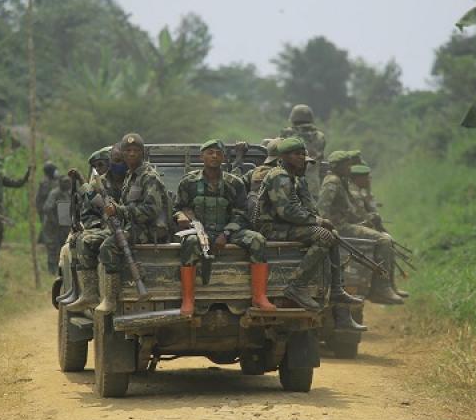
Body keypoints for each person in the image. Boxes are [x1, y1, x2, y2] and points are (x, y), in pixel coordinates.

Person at [256, 137, 363, 330]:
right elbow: (286, 211)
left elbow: (307, 209)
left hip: (285, 226)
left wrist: (318, 218)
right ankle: (297, 285)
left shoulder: (293, 178)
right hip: (272, 228)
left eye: (302, 154)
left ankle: (337, 288)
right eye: (297, 154)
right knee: (324, 236)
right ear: (284, 157)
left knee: (331, 234)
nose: (302, 159)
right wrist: (318, 221)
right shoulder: (279, 176)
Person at [174, 139, 276, 316]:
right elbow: (178, 208)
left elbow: (241, 213)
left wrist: (226, 233)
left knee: (257, 240)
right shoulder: (188, 183)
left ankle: (259, 297)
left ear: (223, 158)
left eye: (218, 153)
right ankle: (188, 299)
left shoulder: (233, 183)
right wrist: (182, 216)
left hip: (228, 230)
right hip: (199, 231)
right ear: (202, 156)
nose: (214, 156)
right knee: (189, 243)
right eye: (210, 152)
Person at [93, 133, 171, 313]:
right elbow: (126, 207)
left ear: (142, 154)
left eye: (136, 151)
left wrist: (119, 210)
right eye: (128, 151)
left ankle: (111, 299)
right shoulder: (131, 176)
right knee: (91, 240)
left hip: (147, 230)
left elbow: (151, 211)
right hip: (131, 227)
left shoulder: (149, 177)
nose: (132, 154)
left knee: (108, 247)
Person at [318, 153, 403, 305]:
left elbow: (349, 210)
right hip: (340, 228)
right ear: (338, 166)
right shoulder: (332, 182)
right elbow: (322, 210)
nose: (350, 168)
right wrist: (328, 229)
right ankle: (381, 288)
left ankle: (384, 286)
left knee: (384, 238)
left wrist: (364, 221)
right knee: (384, 240)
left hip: (345, 225)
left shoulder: (340, 181)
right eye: (347, 165)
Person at [349, 163, 409, 299]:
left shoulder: (356, 191)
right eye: (366, 177)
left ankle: (388, 285)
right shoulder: (354, 192)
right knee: (385, 240)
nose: (369, 180)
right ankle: (382, 287)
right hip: (348, 228)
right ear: (358, 178)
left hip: (354, 226)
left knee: (387, 239)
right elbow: (357, 216)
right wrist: (370, 219)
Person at [66, 148, 114, 311]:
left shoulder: (116, 180)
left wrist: (82, 180)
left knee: (86, 241)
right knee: (74, 241)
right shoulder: (96, 183)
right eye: (95, 166)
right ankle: (79, 290)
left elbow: (98, 201)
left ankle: (90, 294)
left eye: (102, 165)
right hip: (99, 225)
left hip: (114, 226)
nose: (99, 169)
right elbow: (87, 207)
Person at [279, 104, 326, 195]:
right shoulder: (320, 137)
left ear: (293, 119)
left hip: (288, 184)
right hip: (312, 185)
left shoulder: (286, 134)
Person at [42, 175, 72, 275]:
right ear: (60, 183)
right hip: (52, 226)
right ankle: (51, 271)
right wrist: (54, 221)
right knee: (52, 248)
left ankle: (62, 269)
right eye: (65, 182)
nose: (68, 184)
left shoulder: (69, 193)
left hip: (64, 226)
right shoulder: (54, 193)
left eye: (69, 182)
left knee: (63, 247)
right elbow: (47, 209)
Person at [36, 160, 59, 237]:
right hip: (46, 209)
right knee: (47, 227)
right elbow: (40, 199)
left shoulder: (54, 181)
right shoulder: (45, 183)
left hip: (51, 209)